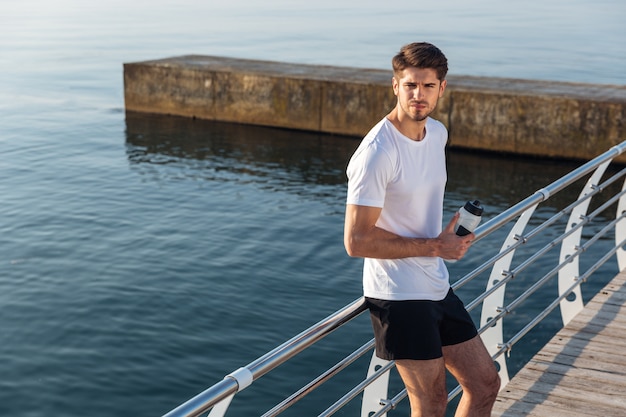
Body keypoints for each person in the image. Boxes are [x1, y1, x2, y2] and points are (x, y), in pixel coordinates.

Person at [343, 42, 500, 417]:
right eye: (410, 85)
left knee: (485, 384)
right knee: (430, 402)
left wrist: (446, 241)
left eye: (428, 86)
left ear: (441, 89)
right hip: (397, 295)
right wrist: (434, 246)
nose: (419, 95)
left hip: (435, 283)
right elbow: (356, 240)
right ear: (395, 86)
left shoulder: (437, 135)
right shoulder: (378, 152)